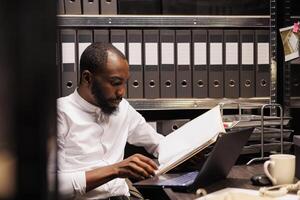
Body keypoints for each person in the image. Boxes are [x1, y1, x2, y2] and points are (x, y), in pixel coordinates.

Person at [56, 43, 164, 199]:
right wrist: (116, 170)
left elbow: (158, 143)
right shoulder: (60, 114)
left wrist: (190, 152)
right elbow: (49, 186)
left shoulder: (123, 108)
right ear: (87, 78)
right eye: (115, 83)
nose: (122, 92)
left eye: (124, 82)